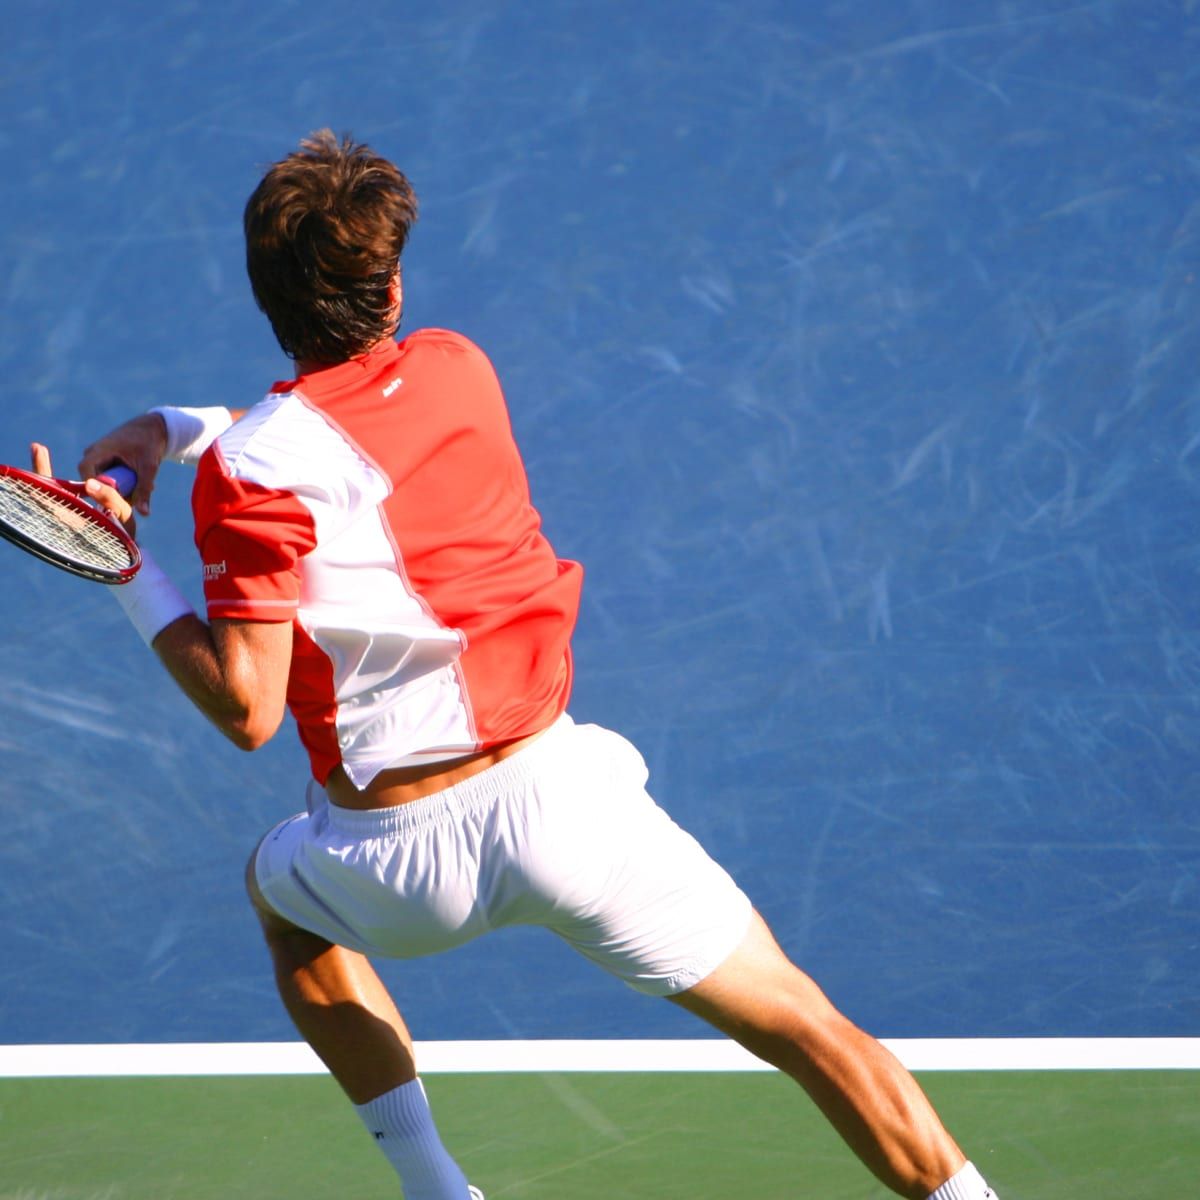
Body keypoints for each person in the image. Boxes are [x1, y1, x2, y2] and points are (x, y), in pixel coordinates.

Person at [59, 130, 1000, 1200]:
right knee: (809, 1027)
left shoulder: (245, 473)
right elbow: (348, 435)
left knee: (284, 905)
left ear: (263, 291)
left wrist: (130, 562)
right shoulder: (460, 369)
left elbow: (247, 708)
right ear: (393, 285)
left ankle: (436, 1188)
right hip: (568, 821)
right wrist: (180, 431)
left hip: (396, 872)